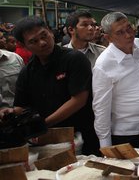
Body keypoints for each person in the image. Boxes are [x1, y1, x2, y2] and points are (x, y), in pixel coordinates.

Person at [1, 17, 99, 155]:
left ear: (50, 32)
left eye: (44, 35)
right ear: (23, 45)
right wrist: (9, 112)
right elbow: (21, 106)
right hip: (48, 142)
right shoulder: (28, 71)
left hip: (81, 136)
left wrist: (44, 124)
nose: (42, 43)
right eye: (33, 41)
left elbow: (79, 100)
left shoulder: (74, 59)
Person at [92, 12, 139, 148]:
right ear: (108, 37)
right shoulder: (104, 65)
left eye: (129, 28)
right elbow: (101, 108)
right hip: (125, 135)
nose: (128, 35)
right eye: (120, 32)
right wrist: (106, 146)